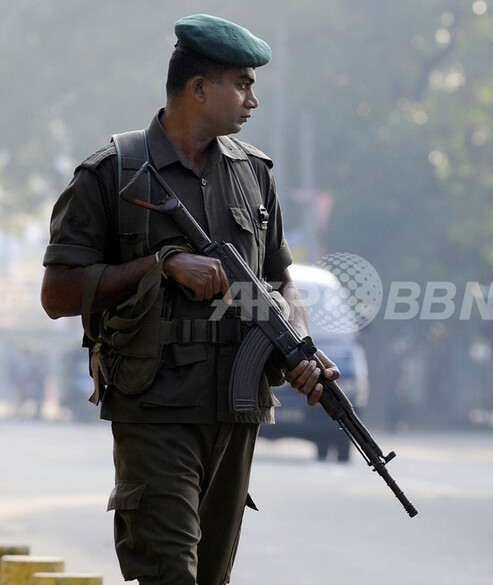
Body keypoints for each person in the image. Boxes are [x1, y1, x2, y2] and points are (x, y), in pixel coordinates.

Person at [40, 14, 338, 585]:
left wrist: (297, 344)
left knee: (209, 579)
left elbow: (282, 282)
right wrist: (161, 265)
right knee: (170, 575)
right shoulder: (113, 172)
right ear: (199, 88)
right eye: (242, 83)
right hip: (155, 409)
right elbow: (57, 294)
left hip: (236, 409)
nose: (253, 99)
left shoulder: (255, 174)